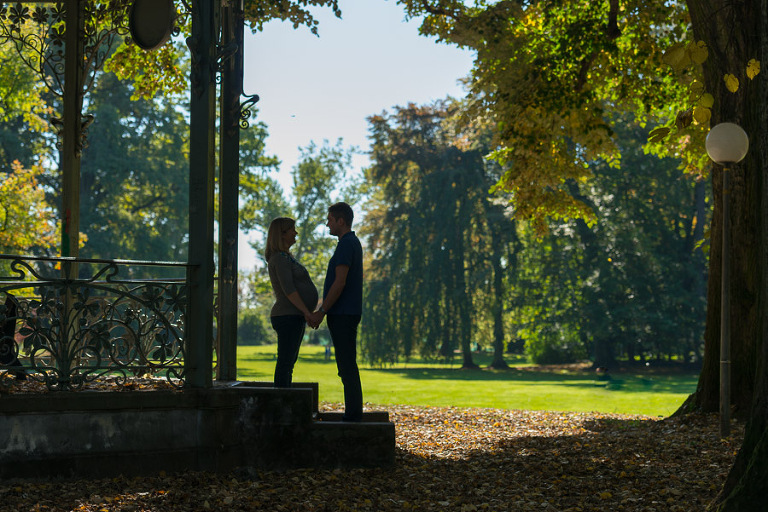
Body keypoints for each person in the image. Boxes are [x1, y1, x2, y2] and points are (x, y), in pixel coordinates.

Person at [309, 202, 364, 422]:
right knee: (347, 363)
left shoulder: (346, 245)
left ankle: (352, 417)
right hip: (347, 312)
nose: (327, 224)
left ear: (341, 221)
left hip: (343, 314)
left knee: (346, 365)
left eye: (330, 219)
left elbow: (339, 283)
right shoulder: (352, 243)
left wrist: (321, 311)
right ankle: (353, 414)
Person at [265, 217, 318, 388]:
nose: (295, 233)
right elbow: (289, 290)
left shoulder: (285, 257)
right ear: (282, 234)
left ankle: (284, 400)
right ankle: (280, 404)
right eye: (292, 229)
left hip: (293, 316)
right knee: (285, 363)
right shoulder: (279, 259)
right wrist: (307, 312)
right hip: (287, 316)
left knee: (289, 363)